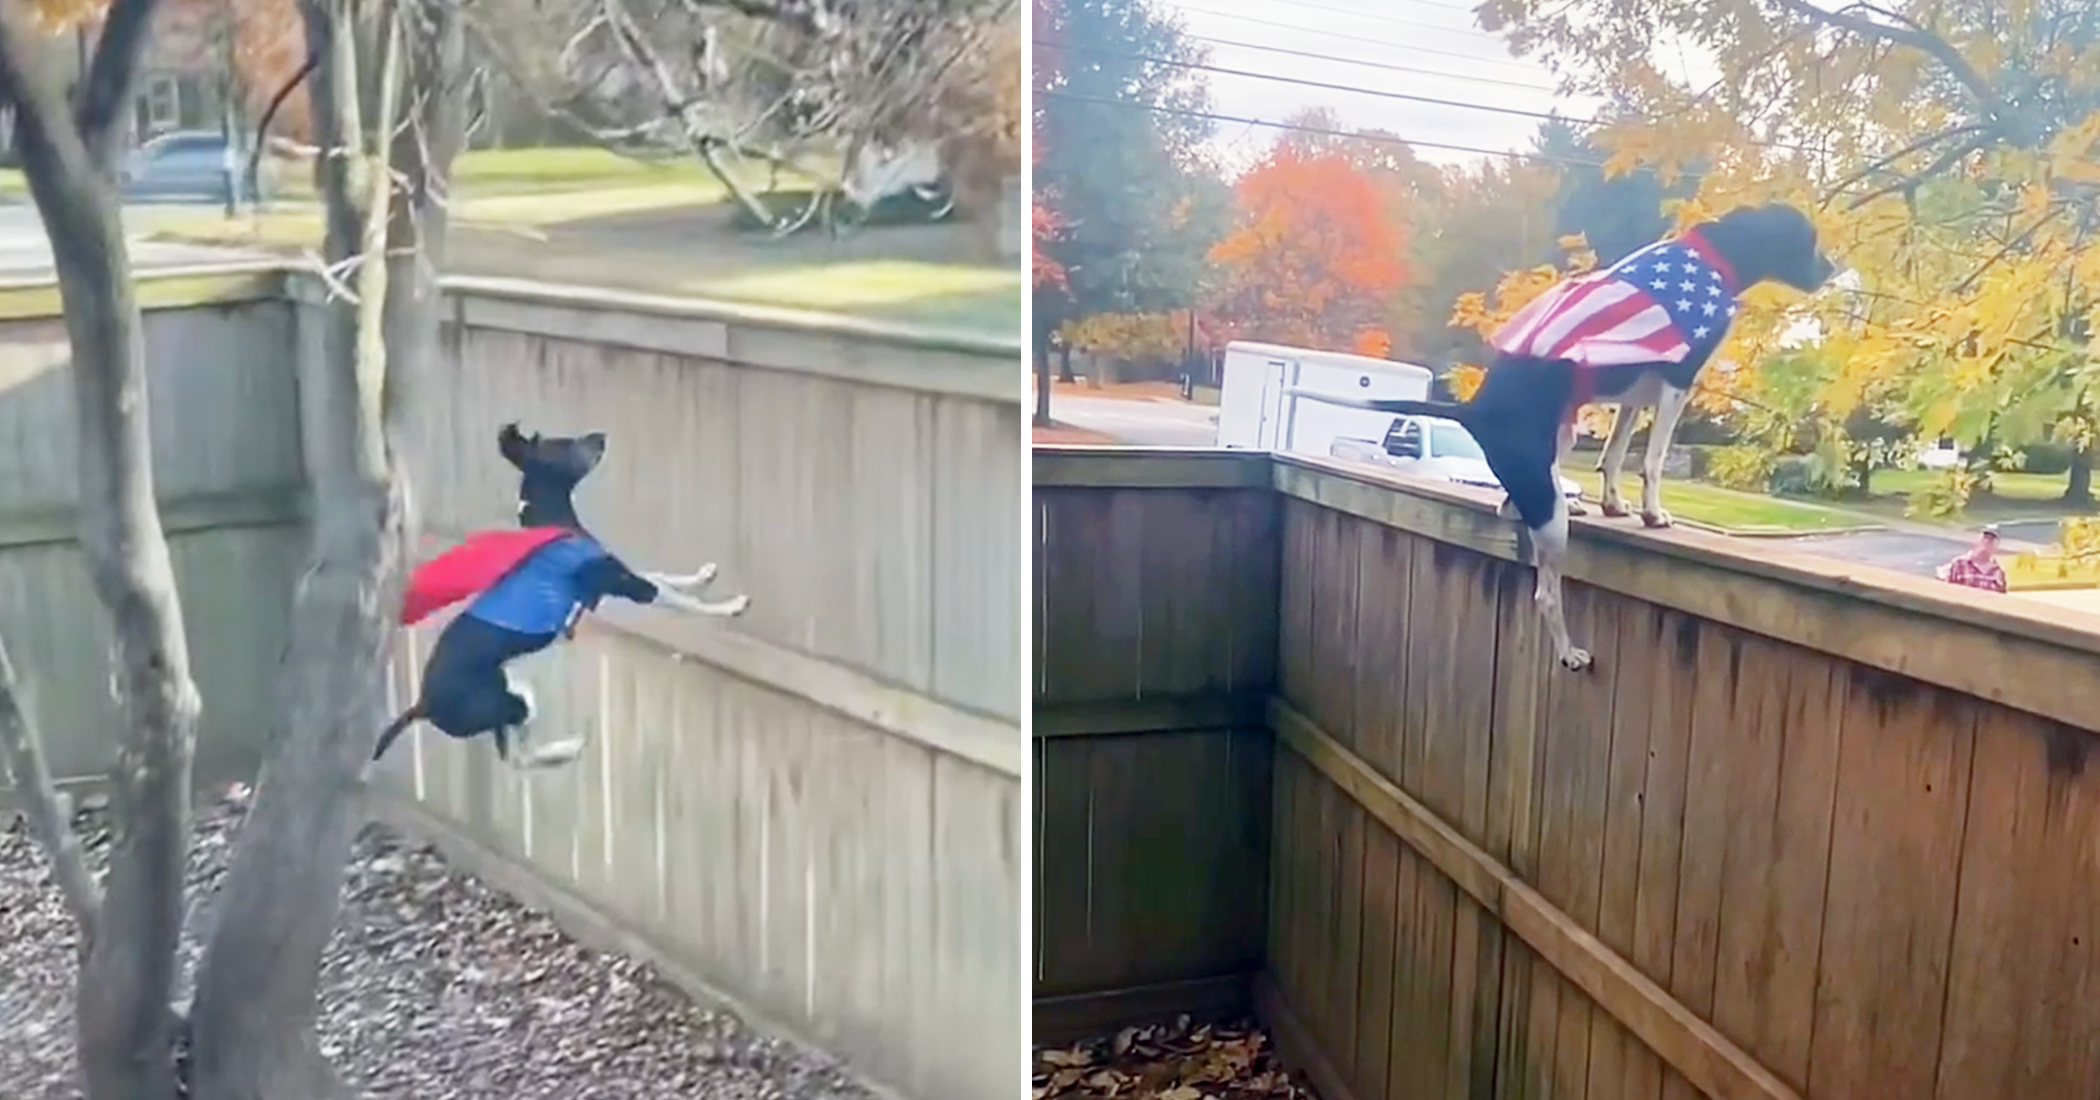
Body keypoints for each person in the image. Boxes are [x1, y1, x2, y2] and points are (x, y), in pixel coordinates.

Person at [1936, 524, 2008, 593]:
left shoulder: (1998, 573)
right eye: (1984, 538)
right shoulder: (1958, 564)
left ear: (1996, 546)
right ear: (1977, 540)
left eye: (1991, 540)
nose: (1987, 542)